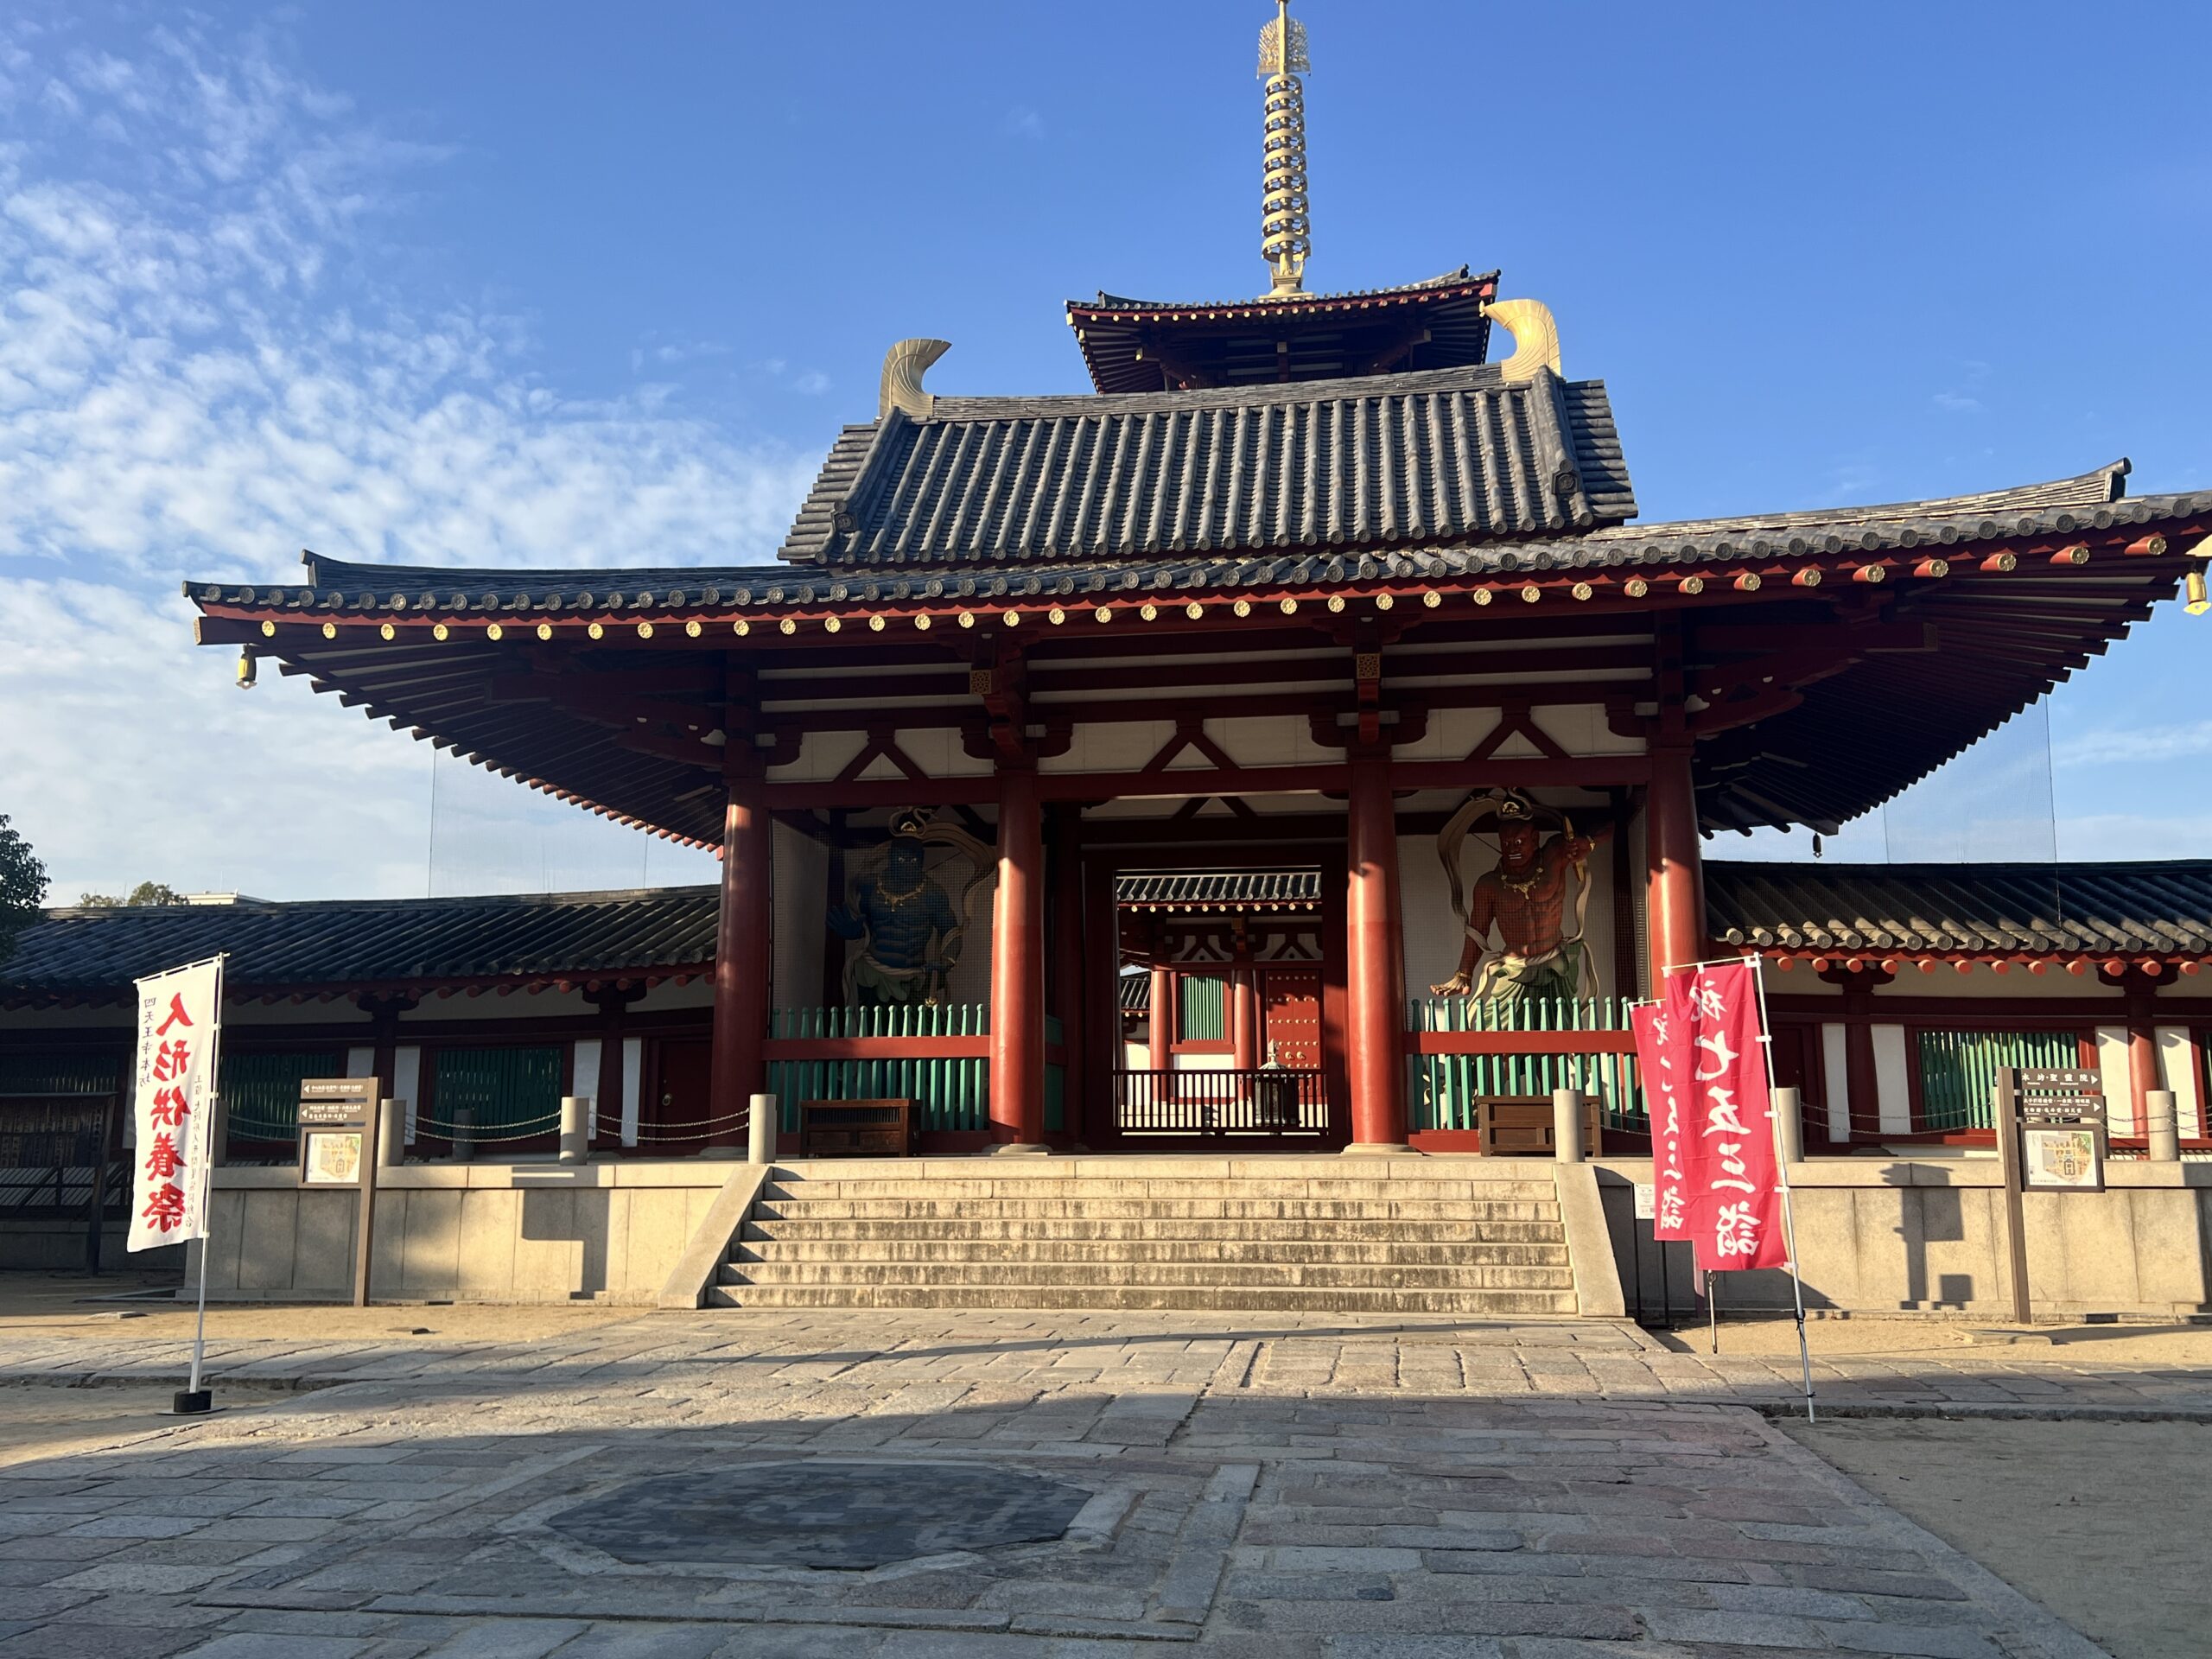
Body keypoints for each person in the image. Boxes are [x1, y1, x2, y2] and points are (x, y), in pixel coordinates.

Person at [1430, 792, 1605, 1002]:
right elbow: (1477, 930)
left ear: (1535, 839)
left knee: (1561, 1021)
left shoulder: (1555, 855)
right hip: (1514, 969)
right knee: (1496, 1021)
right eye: (1506, 843)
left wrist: (1588, 842)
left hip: (1556, 964)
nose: (1512, 849)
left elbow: (1612, 824)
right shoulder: (1489, 885)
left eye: (1519, 841)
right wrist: (1464, 974)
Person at [828, 825, 963, 1007]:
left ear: (921, 859)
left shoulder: (932, 893)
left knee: (912, 1022)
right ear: (890, 857)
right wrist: (855, 931)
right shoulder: (871, 886)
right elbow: (867, 922)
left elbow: (952, 931)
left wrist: (947, 960)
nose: (906, 865)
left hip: (913, 976)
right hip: (872, 971)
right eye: (900, 859)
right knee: (872, 1022)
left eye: (913, 860)